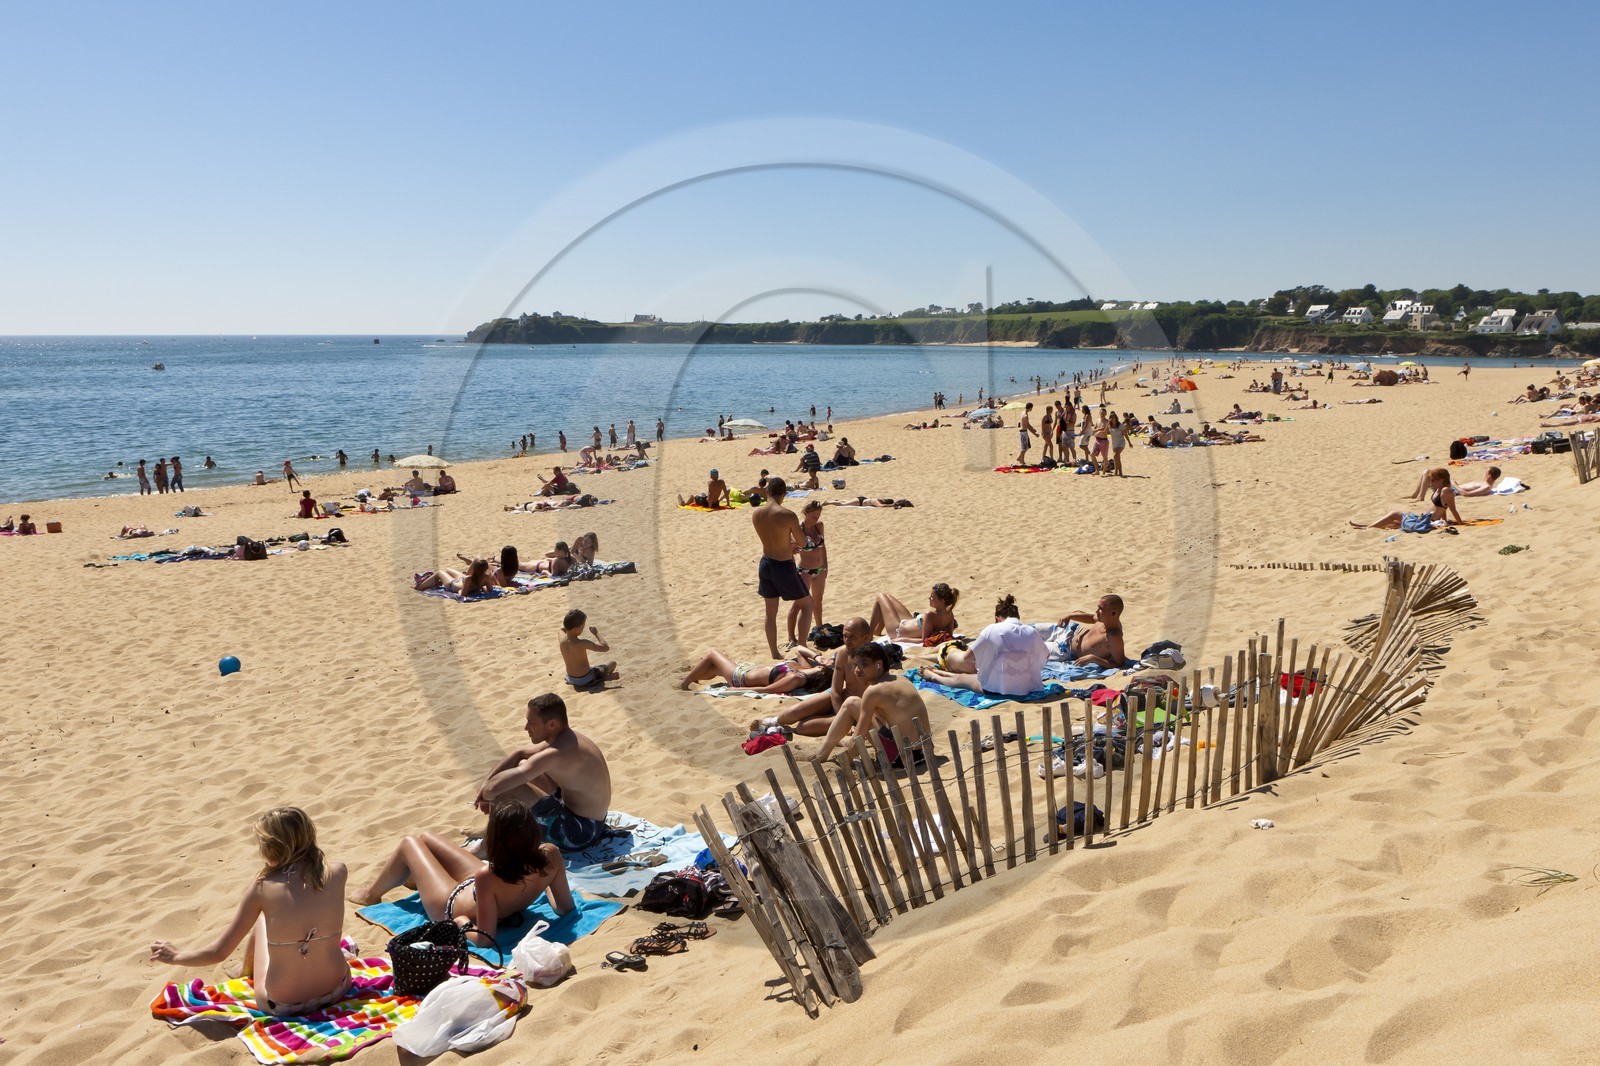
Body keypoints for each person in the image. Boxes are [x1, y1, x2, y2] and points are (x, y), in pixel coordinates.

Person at [150, 808, 352, 1016]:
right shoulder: (338, 871)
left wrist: (176, 956)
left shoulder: (263, 888)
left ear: (272, 848)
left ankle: (245, 971)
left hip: (282, 1003)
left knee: (264, 918)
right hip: (337, 988)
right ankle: (246, 969)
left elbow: (218, 952)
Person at [352, 801, 572, 948]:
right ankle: (413, 877)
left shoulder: (489, 875)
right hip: (482, 886)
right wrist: (545, 885)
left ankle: (371, 894)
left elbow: (485, 940)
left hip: (449, 904)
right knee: (427, 838)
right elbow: (564, 908)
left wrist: (461, 921)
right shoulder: (550, 856)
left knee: (410, 844)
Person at [470, 693, 616, 852]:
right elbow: (518, 753)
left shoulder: (557, 753)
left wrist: (486, 795)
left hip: (579, 833)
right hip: (590, 819)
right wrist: (484, 786)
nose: (526, 728)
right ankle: (489, 831)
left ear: (552, 724)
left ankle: (487, 848)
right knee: (521, 765)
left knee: (506, 787)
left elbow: (494, 788)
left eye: (532, 723)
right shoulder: (568, 738)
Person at [812, 642, 931, 767]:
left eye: (863, 665)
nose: (857, 670)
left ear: (879, 664)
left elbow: (859, 736)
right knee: (856, 703)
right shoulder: (901, 679)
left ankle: (820, 755)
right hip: (925, 752)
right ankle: (833, 747)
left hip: (903, 758)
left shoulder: (873, 691)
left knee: (850, 703)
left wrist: (847, 760)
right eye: (855, 665)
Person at [922, 594, 1048, 696]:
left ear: (997, 618)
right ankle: (941, 673)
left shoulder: (993, 629)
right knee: (970, 676)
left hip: (997, 689)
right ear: (1018, 617)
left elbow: (967, 658)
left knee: (962, 680)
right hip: (1028, 687)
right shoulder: (1032, 632)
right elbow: (1045, 655)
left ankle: (932, 676)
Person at [752, 477, 813, 658]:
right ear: (783, 493)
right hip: (783, 565)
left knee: (770, 613)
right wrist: (793, 543)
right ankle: (802, 646)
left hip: (766, 563)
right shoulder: (787, 514)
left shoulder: (757, 513)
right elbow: (803, 542)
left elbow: (772, 538)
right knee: (807, 604)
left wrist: (788, 543)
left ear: (768, 491)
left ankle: (774, 653)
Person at [1351, 467, 1463, 532]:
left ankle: (1368, 528)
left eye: (1433, 480)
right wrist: (1445, 520)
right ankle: (1367, 526)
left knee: (1394, 514)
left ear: (1442, 480)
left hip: (1427, 521)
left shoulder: (1446, 491)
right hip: (1423, 518)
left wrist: (1461, 524)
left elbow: (1452, 509)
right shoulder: (1439, 489)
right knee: (1395, 523)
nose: (1431, 482)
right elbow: (1443, 507)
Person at [677, 649, 830, 693]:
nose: (825, 663)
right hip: (748, 668)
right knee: (714, 668)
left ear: (822, 671)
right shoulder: (806, 670)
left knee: (712, 654)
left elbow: (769, 689)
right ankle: (694, 676)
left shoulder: (795, 679)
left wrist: (737, 690)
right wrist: (817, 657)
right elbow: (800, 651)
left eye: (826, 665)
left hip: (740, 677)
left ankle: (685, 683)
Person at [868, 583, 959, 644]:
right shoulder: (949, 615)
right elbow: (950, 636)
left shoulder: (930, 615)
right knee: (887, 597)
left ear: (942, 601)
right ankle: (877, 630)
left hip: (897, 630)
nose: (929, 598)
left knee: (880, 596)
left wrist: (902, 639)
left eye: (932, 597)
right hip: (909, 622)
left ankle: (869, 635)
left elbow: (924, 640)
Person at [1056, 594, 1126, 668]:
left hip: (1064, 649)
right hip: (1071, 630)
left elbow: (1119, 663)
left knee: (1042, 648)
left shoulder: (1113, 636)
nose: (1096, 611)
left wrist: (1093, 658)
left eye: (1100, 609)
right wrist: (1070, 616)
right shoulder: (1104, 619)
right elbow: (1092, 618)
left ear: (1113, 613)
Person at [559, 608, 617, 689]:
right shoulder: (582, 643)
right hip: (586, 679)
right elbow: (605, 647)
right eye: (583, 626)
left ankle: (602, 677)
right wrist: (596, 634)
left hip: (571, 678)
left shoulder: (561, 638)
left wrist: (569, 625)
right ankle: (603, 678)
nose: (583, 628)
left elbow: (561, 629)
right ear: (577, 628)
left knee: (592, 668)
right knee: (612, 663)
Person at [794, 500, 828, 634]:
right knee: (799, 605)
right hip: (804, 571)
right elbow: (790, 548)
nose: (816, 519)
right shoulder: (798, 530)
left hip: (819, 569)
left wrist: (825, 565)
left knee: (818, 602)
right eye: (814, 516)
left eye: (818, 516)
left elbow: (823, 547)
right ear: (805, 513)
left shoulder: (819, 526)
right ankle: (793, 636)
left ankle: (820, 628)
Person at [414, 558, 495, 597]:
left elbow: (462, 594)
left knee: (439, 572)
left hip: (452, 585)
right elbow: (490, 591)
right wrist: (481, 587)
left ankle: (419, 587)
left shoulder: (469, 579)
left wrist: (461, 590)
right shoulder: (486, 577)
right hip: (461, 579)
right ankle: (436, 581)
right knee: (448, 569)